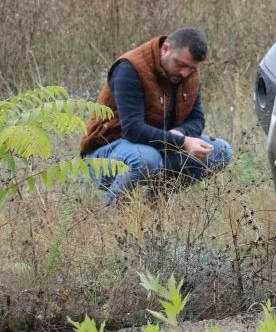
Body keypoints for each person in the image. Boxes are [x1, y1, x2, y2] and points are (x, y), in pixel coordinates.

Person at [79, 27, 233, 203]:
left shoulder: (189, 73)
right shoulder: (129, 68)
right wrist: (182, 142)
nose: (185, 73)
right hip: (106, 150)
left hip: (157, 148)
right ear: (165, 49)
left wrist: (180, 133)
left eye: (191, 68)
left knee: (221, 152)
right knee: (147, 159)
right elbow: (133, 129)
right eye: (180, 64)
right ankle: (111, 214)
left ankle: (154, 205)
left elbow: (197, 119)